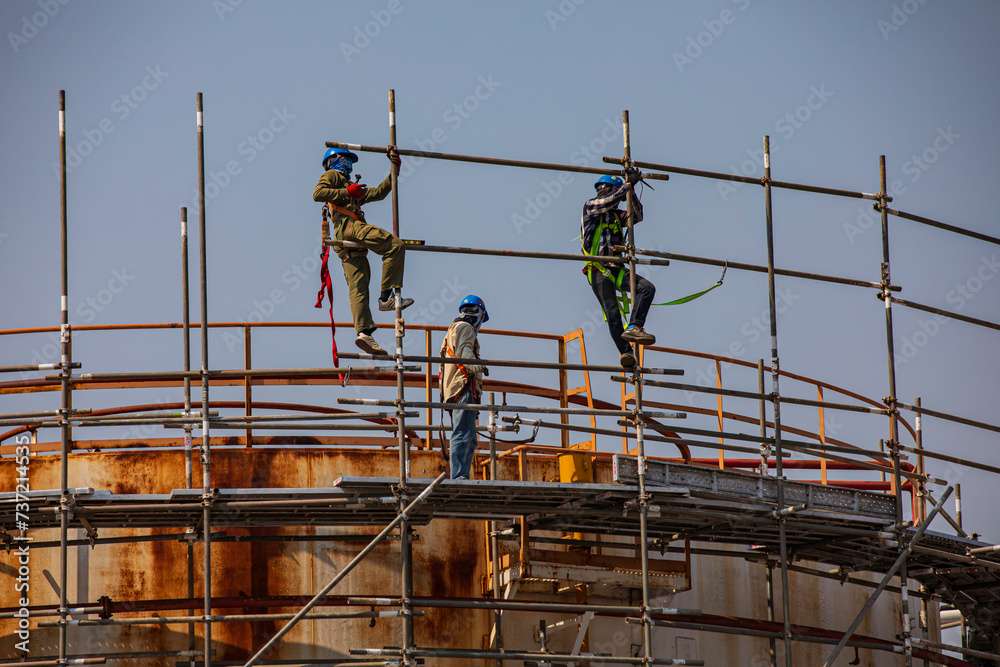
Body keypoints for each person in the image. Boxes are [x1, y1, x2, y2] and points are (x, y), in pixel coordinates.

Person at [313, 147, 413, 356]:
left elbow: (380, 192)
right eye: (347, 159)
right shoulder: (333, 175)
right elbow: (318, 193)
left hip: (347, 243)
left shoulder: (351, 185)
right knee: (394, 246)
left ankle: (364, 333)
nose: (350, 164)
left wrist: (394, 171)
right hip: (350, 229)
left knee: (358, 286)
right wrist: (347, 193)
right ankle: (386, 297)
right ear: (336, 160)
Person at [581, 174, 656, 368]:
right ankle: (625, 352)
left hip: (618, 270)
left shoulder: (616, 215)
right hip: (598, 270)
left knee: (647, 288)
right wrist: (626, 185)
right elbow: (606, 201)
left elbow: (637, 216)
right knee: (612, 313)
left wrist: (631, 193)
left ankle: (634, 326)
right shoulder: (591, 206)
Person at [440, 295, 489, 480]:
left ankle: (462, 474)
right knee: (463, 435)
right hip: (463, 388)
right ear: (477, 313)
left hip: (453, 390)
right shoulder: (465, 328)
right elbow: (464, 351)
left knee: (469, 437)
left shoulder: (453, 329)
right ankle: (460, 476)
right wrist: (475, 365)